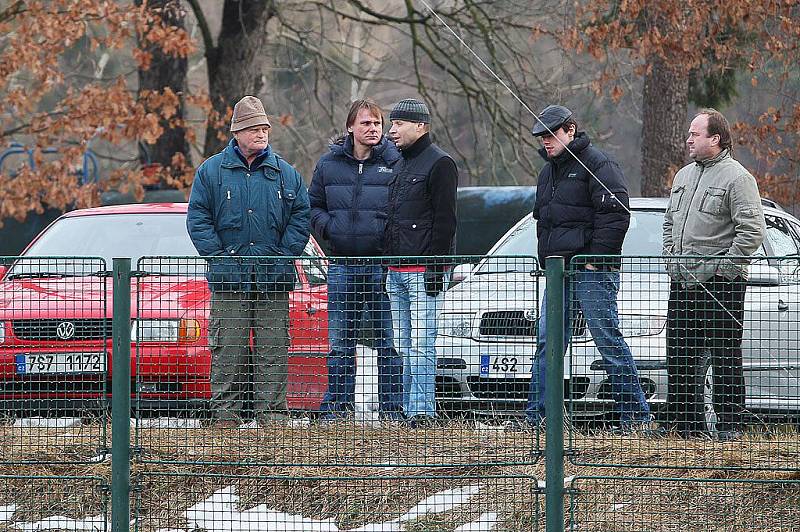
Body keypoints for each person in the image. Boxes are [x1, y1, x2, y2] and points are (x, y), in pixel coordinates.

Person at [524, 104, 650, 431]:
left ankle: (635, 417)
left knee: (606, 339)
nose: (546, 142)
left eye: (551, 134)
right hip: (558, 270)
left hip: (592, 270)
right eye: (541, 136)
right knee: (548, 342)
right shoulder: (547, 172)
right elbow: (543, 221)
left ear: (571, 129)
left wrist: (596, 259)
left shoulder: (598, 164)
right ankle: (538, 417)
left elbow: (617, 215)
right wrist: (546, 259)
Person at [187, 95, 310, 427]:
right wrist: (220, 258)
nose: (261, 133)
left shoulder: (286, 174)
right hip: (229, 282)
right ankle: (226, 421)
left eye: (265, 128)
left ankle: (273, 422)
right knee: (228, 351)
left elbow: (301, 218)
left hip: (273, 280)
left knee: (273, 352)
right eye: (254, 128)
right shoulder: (212, 172)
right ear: (237, 133)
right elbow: (197, 218)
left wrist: (284, 258)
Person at [663, 108, 765, 441]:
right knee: (680, 354)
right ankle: (684, 426)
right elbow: (669, 224)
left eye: (695, 134)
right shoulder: (682, 176)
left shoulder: (738, 178)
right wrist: (670, 258)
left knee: (724, 354)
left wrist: (725, 269)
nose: (688, 139)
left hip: (721, 285)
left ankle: (729, 426)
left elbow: (752, 231)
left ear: (715, 139)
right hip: (682, 282)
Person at [309, 98, 403, 420]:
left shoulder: (396, 162)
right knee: (339, 344)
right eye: (366, 123)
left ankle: (391, 409)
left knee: (387, 344)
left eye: (377, 123)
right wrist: (330, 229)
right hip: (342, 266)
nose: (373, 129)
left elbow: (404, 210)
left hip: (380, 267)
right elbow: (313, 207)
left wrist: (385, 236)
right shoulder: (327, 165)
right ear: (350, 127)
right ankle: (338, 408)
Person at [385, 98, 458, 427]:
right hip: (396, 270)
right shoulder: (398, 165)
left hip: (422, 271)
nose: (392, 130)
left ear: (421, 126)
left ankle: (421, 411)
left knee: (422, 342)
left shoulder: (441, 164)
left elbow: (446, 221)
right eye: (392, 124)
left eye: (398, 124)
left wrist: (435, 267)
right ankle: (408, 407)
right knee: (403, 344)